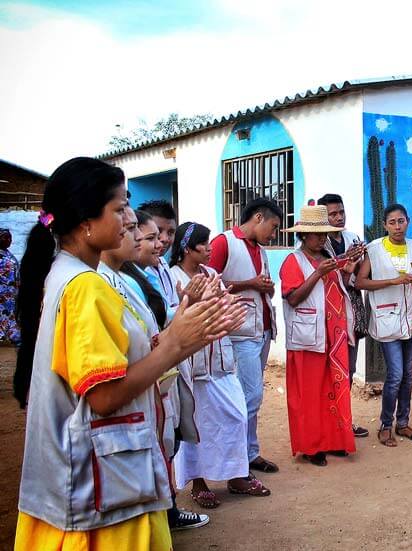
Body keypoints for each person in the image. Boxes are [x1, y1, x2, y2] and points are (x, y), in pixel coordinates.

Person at [13, 157, 243, 550]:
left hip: (106, 475)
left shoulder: (76, 277)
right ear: (87, 221)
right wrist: (175, 346)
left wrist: (181, 327)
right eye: (120, 209)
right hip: (99, 488)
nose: (128, 219)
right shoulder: (86, 286)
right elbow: (103, 395)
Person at [170, 222, 271, 506]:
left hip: (221, 359)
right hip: (192, 363)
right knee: (197, 422)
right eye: (204, 245)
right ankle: (199, 482)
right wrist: (193, 300)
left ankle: (237, 475)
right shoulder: (172, 277)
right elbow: (170, 314)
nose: (210, 249)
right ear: (188, 248)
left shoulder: (211, 273)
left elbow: (223, 303)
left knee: (236, 414)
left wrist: (226, 305)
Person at [118, 209, 206, 531]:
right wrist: (184, 322)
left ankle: (166, 510)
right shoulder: (117, 281)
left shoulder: (147, 273)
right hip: (150, 378)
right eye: (149, 236)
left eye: (163, 235)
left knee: (169, 438)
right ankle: (165, 511)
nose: (159, 243)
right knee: (161, 441)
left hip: (161, 375)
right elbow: (153, 332)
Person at [279, 205, 361, 465]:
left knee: (335, 388)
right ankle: (311, 446)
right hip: (308, 337)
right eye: (317, 235)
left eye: (325, 234)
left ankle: (334, 440)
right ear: (303, 235)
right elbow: (293, 297)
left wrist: (345, 264)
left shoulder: (327, 257)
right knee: (309, 393)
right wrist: (318, 274)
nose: (323, 239)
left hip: (333, 335)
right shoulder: (294, 261)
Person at [209, 197, 282, 475]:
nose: (273, 234)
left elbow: (264, 286)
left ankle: (249, 453)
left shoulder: (259, 250)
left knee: (252, 397)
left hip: (261, 330)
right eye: (273, 227)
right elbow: (209, 283)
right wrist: (249, 284)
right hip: (239, 333)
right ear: (258, 218)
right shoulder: (224, 243)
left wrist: (265, 287)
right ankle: (239, 459)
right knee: (249, 396)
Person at [356, 204, 412, 446]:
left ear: (408, 222)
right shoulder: (374, 249)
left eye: (402, 221)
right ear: (385, 225)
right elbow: (361, 282)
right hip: (387, 320)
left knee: (407, 375)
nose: (398, 227)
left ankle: (403, 423)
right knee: (395, 375)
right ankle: (386, 424)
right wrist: (394, 281)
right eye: (392, 222)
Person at [319, 193, 369, 438]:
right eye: (333, 214)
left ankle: (344, 420)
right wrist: (345, 263)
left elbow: (359, 274)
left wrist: (354, 265)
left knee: (347, 368)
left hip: (352, 311)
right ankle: (329, 422)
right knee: (328, 370)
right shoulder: (318, 243)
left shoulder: (353, 238)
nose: (339, 218)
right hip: (329, 315)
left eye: (341, 212)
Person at [137, 200, 179, 322]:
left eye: (171, 232)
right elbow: (162, 316)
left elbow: (171, 304)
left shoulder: (163, 263)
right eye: (157, 232)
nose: (165, 239)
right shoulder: (139, 270)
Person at [0, 228, 20, 344]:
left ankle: (8, 334)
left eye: (10, 238)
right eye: (5, 237)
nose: (9, 240)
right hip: (2, 293)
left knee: (10, 314)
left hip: (10, 294)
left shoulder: (8, 254)